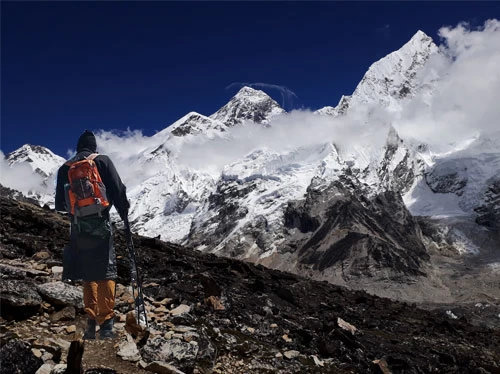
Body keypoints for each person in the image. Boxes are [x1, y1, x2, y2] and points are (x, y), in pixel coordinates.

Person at [55, 130, 130, 340]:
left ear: (78, 147)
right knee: (106, 270)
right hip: (102, 224)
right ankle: (106, 325)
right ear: (94, 147)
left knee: (88, 273)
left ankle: (89, 324)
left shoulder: (65, 168)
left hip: (78, 227)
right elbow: (118, 190)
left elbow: (60, 204)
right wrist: (123, 213)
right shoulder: (103, 161)